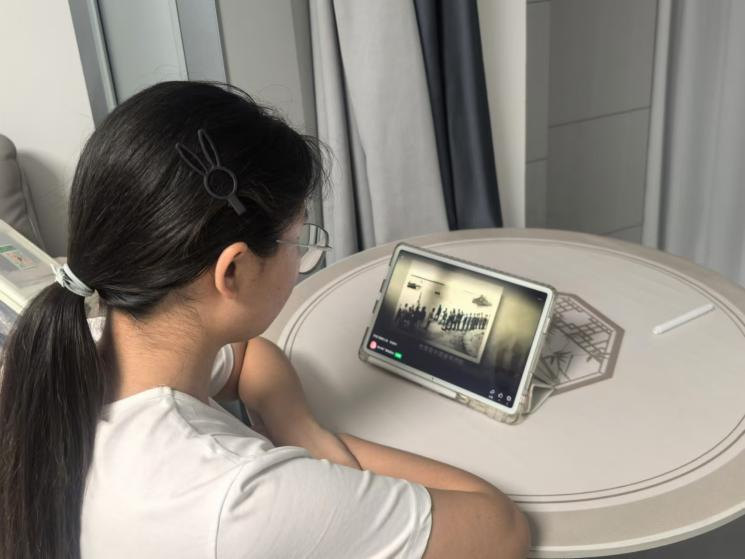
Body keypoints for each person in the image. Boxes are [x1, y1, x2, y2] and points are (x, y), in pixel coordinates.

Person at [0, 81, 529, 559]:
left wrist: (300, 428)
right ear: (232, 271)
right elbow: (500, 529)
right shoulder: (238, 499)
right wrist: (323, 461)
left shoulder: (80, 345)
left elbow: (249, 356)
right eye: (298, 241)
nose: (299, 259)